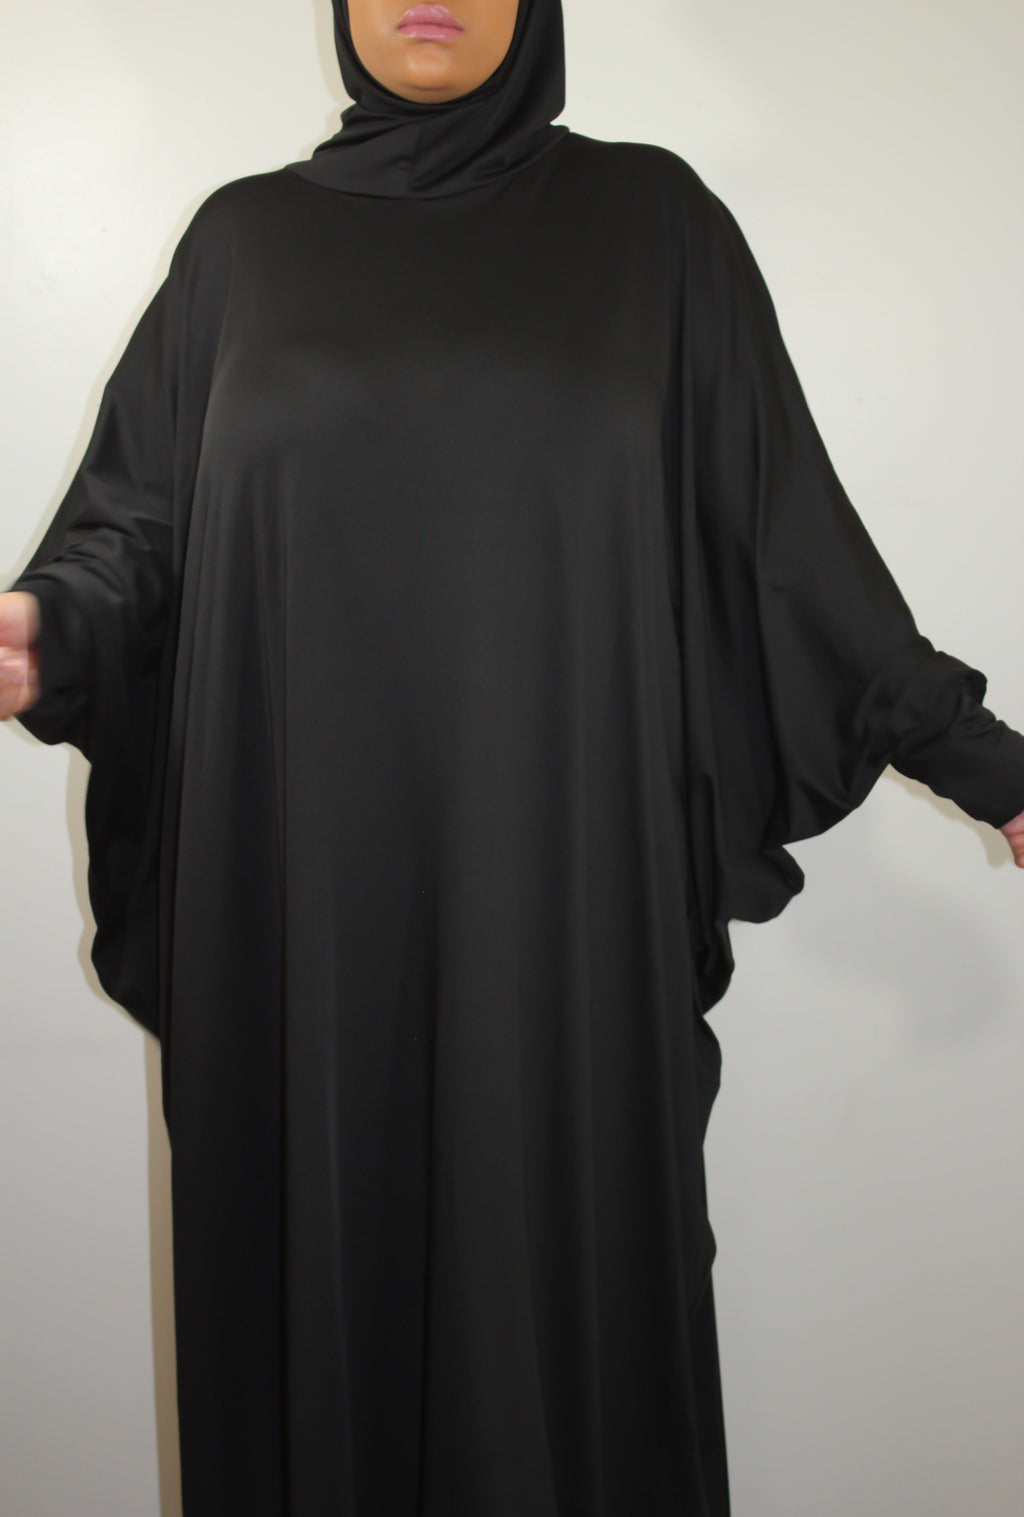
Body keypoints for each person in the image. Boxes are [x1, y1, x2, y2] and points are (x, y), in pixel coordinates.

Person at [2, 1, 1023, 1512]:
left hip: (563, 934)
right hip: (299, 944)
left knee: (561, 1350)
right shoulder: (241, 246)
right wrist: (49, 633)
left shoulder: (653, 229)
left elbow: (787, 547)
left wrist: (990, 764)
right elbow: (135, 537)